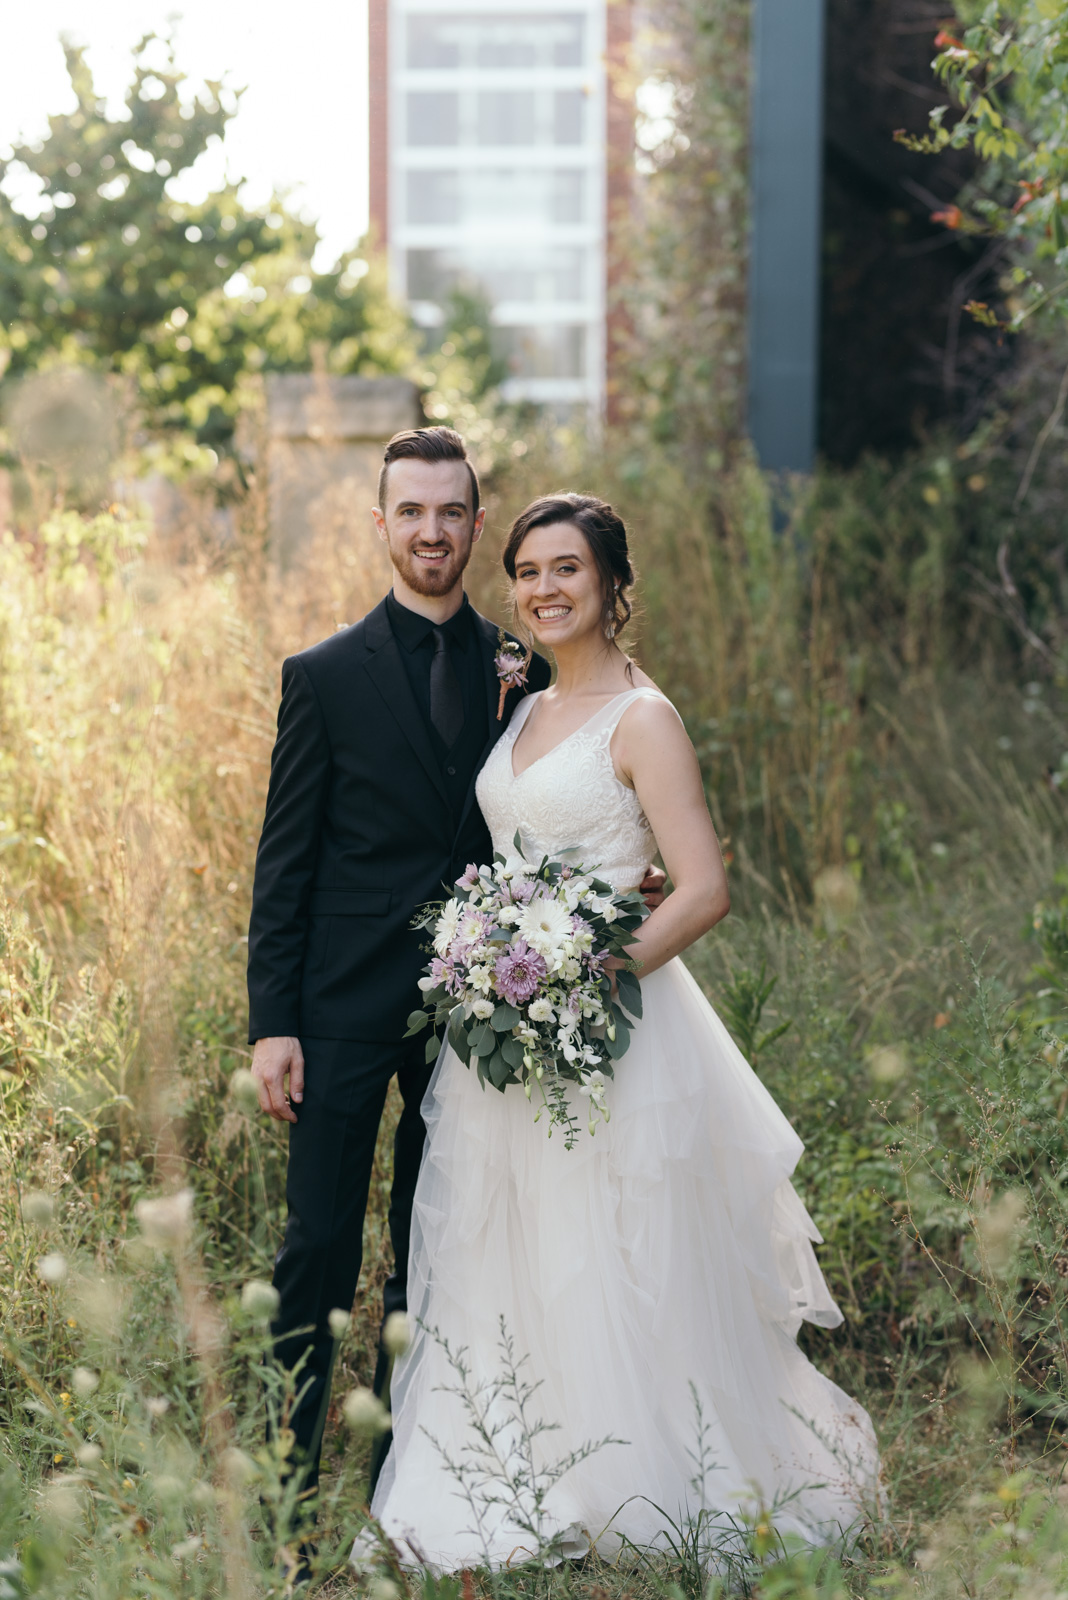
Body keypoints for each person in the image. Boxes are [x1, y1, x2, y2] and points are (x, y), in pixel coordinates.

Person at [369, 493, 881, 1570]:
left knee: (613, 1253)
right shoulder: (525, 704)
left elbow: (701, 890)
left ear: (611, 585)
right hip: (507, 1032)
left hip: (606, 1027)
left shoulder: (643, 718)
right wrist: (499, 968)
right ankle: (516, 1470)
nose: (545, 588)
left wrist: (591, 974)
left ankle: (635, 1477)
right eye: (529, 570)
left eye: (568, 569)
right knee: (507, 1249)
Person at [246, 430, 664, 1512]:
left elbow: (560, 802)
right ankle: (289, 1495)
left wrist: (623, 882)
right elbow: (283, 862)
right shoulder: (325, 675)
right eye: (411, 511)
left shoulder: (520, 667)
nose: (432, 530)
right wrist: (272, 1021)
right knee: (318, 1250)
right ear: (381, 524)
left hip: (478, 1016)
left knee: (436, 1256)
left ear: (477, 526)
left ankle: (409, 1484)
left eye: (452, 512)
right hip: (338, 1009)